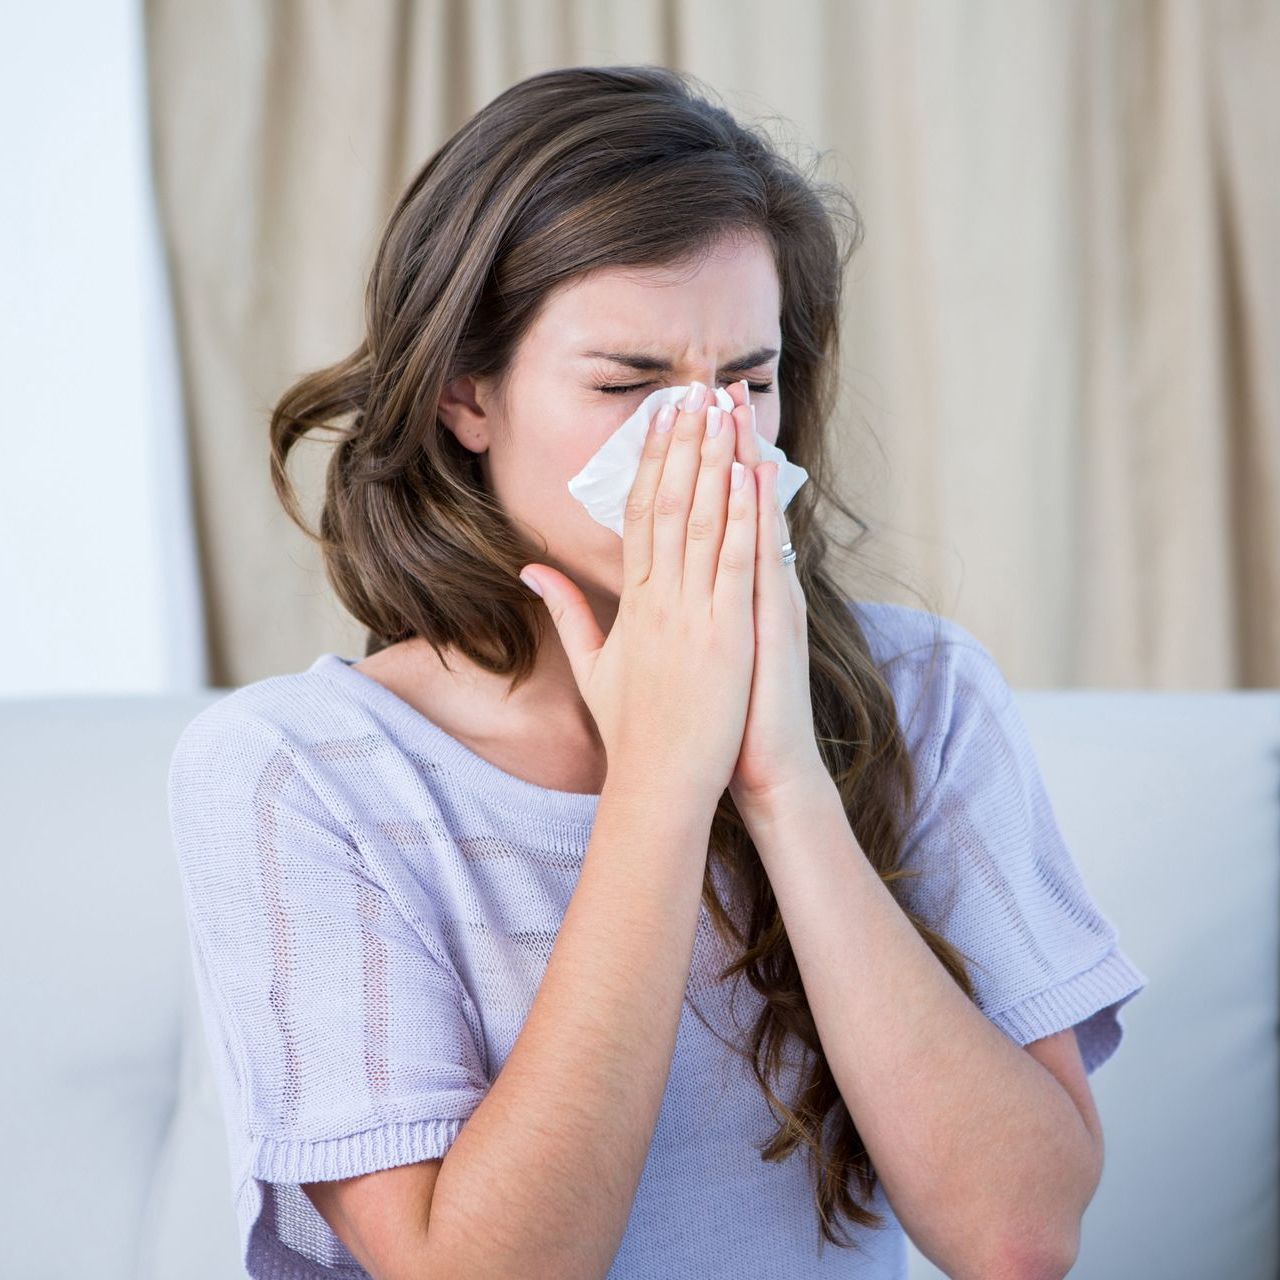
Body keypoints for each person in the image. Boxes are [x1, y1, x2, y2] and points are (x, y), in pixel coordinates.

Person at [167, 64, 1147, 1279]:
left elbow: (1017, 1236)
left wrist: (782, 781)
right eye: (627, 385)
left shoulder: (923, 688)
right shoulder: (297, 774)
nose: (702, 442)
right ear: (467, 393)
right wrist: (660, 782)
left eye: (745, 382)